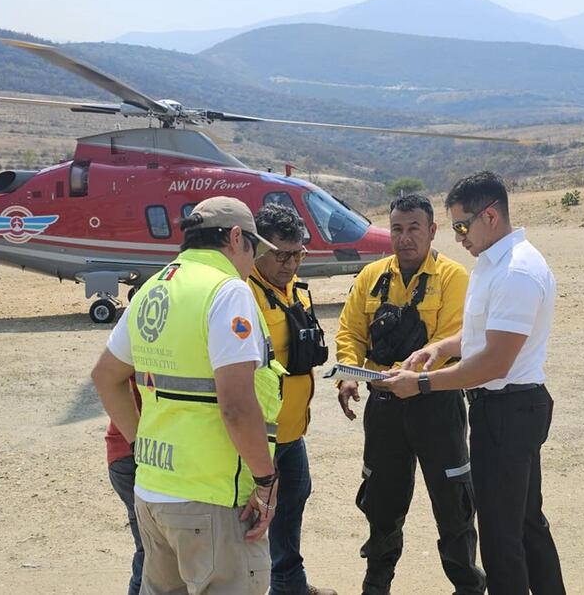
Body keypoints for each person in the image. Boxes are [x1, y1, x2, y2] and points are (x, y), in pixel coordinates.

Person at [375, 172, 566, 594]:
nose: (458, 237)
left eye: (462, 226)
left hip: (507, 410)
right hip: (507, 408)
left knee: (501, 538)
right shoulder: (496, 264)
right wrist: (440, 347)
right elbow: (482, 334)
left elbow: (494, 362)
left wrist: (422, 383)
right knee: (526, 525)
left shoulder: (516, 272)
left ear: (490, 216)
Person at [91, 196, 285, 595]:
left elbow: (106, 376)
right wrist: (266, 480)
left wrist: (140, 444)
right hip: (212, 497)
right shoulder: (228, 291)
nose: (252, 264)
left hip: (153, 493)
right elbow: (237, 407)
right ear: (236, 238)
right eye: (254, 250)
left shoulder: (153, 288)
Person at [335, 194, 485, 595]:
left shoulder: (453, 277)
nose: (405, 238)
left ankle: (468, 586)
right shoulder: (371, 276)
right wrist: (348, 374)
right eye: (397, 229)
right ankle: (376, 584)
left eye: (414, 228)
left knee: (453, 504)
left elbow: (449, 338)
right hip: (384, 407)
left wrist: (409, 375)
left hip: (436, 402)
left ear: (432, 231)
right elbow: (350, 331)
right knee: (381, 503)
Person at [247, 204, 336, 595]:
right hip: (257, 435)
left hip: (291, 429)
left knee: (292, 503)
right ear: (256, 248)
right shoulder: (242, 293)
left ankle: (288, 585)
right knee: (251, 519)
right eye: (281, 255)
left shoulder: (294, 287)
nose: (291, 264)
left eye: (298, 254)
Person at [104, 382, 144, 595]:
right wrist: (140, 448)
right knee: (153, 554)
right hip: (138, 454)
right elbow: (105, 377)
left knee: (150, 551)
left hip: (125, 453)